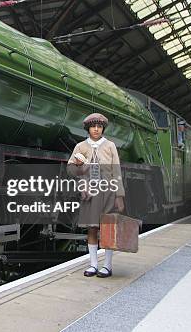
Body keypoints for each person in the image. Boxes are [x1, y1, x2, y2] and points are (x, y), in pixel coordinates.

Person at [67, 113, 125, 278]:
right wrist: (78, 166)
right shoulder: (80, 147)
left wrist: (119, 195)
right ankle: (93, 265)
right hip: (89, 193)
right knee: (91, 228)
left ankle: (107, 266)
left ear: (103, 129)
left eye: (99, 127)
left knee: (107, 228)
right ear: (88, 128)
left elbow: (117, 171)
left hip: (108, 191)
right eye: (93, 126)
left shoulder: (110, 146)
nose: (96, 129)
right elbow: (70, 169)